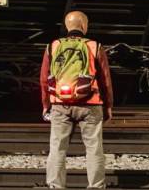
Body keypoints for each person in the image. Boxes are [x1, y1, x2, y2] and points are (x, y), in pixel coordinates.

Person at [40, 11, 113, 189]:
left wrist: (45, 105)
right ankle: (95, 186)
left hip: (59, 104)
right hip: (91, 103)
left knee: (57, 149)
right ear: (84, 26)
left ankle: (56, 186)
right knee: (94, 149)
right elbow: (105, 80)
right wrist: (108, 106)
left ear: (67, 26)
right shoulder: (95, 46)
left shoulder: (53, 46)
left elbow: (43, 78)